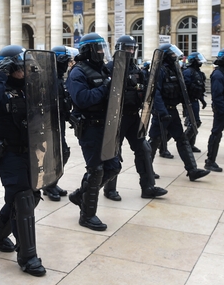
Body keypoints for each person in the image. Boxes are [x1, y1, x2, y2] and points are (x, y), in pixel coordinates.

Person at [0, 45, 46, 276]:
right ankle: (28, 257)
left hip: (32, 151)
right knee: (23, 198)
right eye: (19, 68)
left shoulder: (31, 87)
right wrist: (0, 76)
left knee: (31, 196)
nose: (23, 72)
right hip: (9, 154)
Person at [102, 35, 167, 201]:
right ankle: (110, 189)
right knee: (114, 152)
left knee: (143, 148)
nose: (130, 51)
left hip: (133, 116)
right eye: (127, 48)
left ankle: (148, 187)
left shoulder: (136, 70)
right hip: (116, 117)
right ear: (120, 49)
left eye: (132, 48)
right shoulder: (110, 67)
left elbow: (146, 90)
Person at [67, 33, 120, 231]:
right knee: (96, 170)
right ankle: (87, 215)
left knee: (113, 167)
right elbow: (81, 99)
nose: (101, 52)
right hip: (90, 127)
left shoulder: (103, 69)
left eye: (102, 48)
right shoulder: (78, 72)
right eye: (97, 49)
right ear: (88, 50)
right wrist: (104, 89)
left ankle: (81, 195)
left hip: (107, 127)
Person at [148, 44, 210, 181]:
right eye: (172, 54)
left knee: (182, 139)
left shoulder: (174, 70)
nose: (175, 57)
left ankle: (192, 170)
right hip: (161, 112)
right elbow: (155, 93)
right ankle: (147, 170)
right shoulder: (160, 71)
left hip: (172, 110)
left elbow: (180, 89)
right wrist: (162, 112)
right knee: (154, 140)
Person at [42, 46, 72, 201]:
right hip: (49, 124)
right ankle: (48, 185)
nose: (68, 64)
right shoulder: (46, 78)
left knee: (62, 153)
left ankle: (52, 182)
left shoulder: (59, 78)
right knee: (52, 155)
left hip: (59, 122)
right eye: (66, 61)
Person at [182, 52, 207, 153]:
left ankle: (190, 145)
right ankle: (184, 143)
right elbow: (186, 88)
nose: (200, 62)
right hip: (189, 101)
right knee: (193, 123)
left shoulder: (198, 72)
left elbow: (199, 87)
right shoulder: (188, 72)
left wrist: (202, 99)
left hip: (195, 100)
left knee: (195, 123)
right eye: (198, 60)